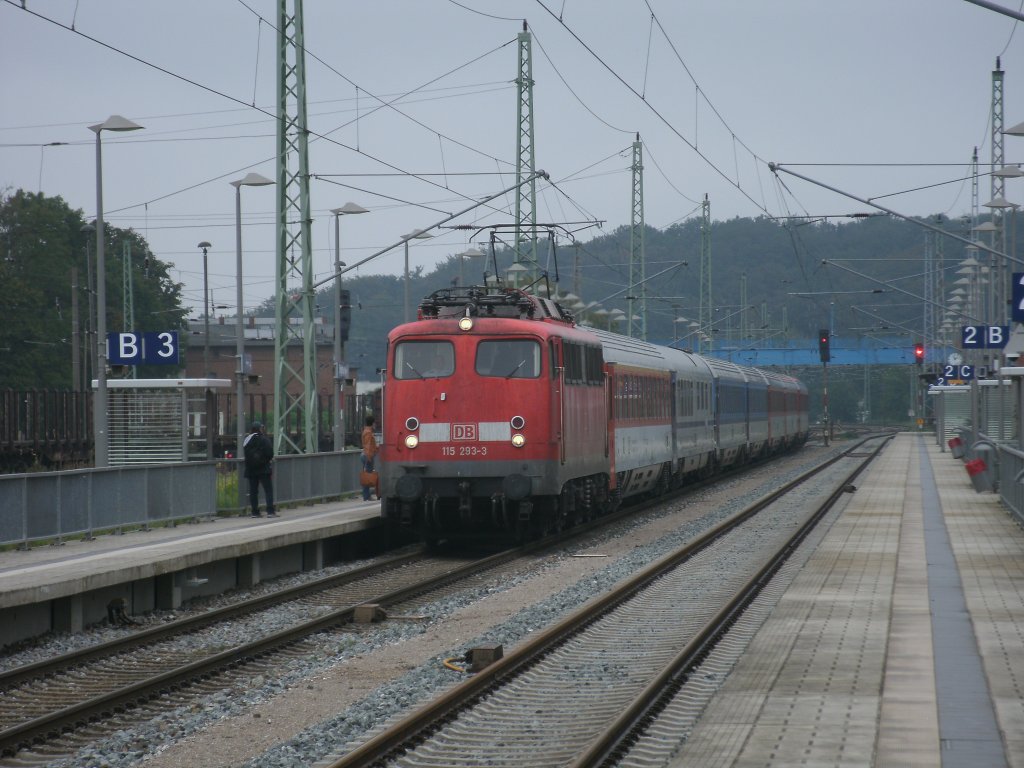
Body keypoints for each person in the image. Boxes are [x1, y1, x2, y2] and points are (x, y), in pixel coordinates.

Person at [243, 421, 276, 518]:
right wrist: (265, 460)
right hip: (264, 469)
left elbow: (246, 454)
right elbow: (270, 453)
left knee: (253, 491)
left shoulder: (247, 440)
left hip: (251, 470)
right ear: (259, 429)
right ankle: (270, 511)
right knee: (268, 490)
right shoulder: (264, 439)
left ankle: (255, 512)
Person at [361, 414, 379, 501]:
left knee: (367, 476)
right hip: (367, 456)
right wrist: (369, 457)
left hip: (366, 455)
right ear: (372, 423)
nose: (375, 425)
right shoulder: (368, 432)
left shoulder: (366, 431)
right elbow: (368, 445)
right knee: (367, 477)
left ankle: (366, 495)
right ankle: (366, 496)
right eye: (374, 423)